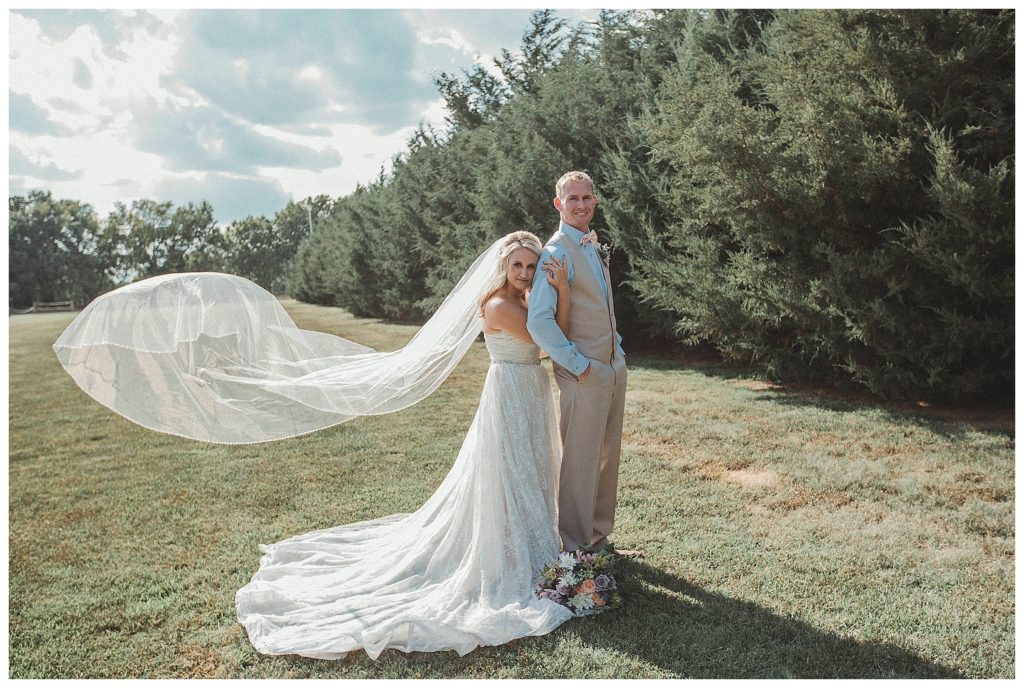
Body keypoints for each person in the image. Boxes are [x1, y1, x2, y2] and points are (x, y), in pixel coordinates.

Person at [232, 231, 576, 659]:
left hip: (530, 389)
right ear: (502, 268)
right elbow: (552, 343)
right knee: (511, 468)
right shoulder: (499, 305)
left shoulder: (522, 300)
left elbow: (545, 344)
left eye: (530, 265)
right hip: (511, 390)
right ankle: (507, 547)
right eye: (517, 266)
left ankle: (527, 537)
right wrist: (560, 291)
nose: (524, 273)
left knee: (532, 467)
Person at [527, 171, 636, 557]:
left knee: (606, 458)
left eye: (587, 198)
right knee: (580, 463)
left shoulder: (592, 244)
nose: (581, 205)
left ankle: (598, 539)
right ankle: (575, 548)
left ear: (595, 200)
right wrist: (579, 365)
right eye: (572, 199)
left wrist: (616, 353)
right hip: (584, 375)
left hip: (611, 368)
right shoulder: (556, 253)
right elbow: (538, 321)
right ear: (558, 204)